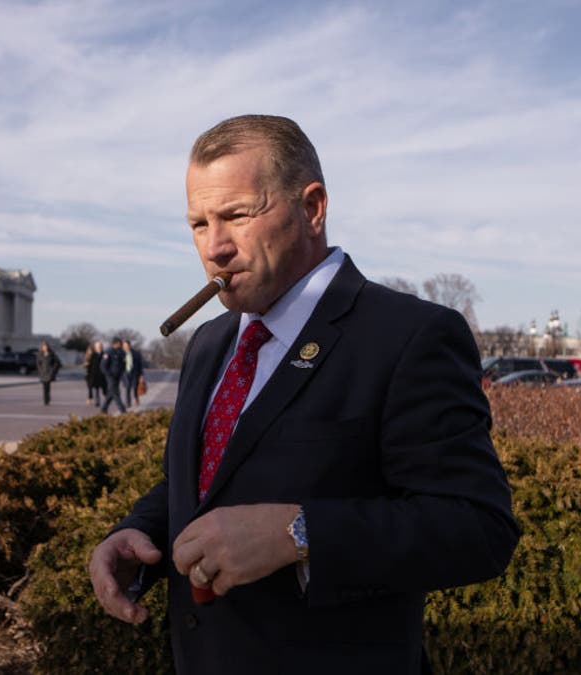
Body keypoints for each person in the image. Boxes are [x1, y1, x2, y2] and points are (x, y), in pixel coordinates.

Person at [88, 115, 518, 673]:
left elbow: (477, 527)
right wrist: (137, 532)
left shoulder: (409, 335)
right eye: (198, 224)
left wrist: (300, 533)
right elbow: (200, 478)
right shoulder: (210, 341)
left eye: (237, 216)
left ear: (312, 207)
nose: (214, 247)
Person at [99, 337, 127, 414]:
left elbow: (123, 364)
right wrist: (108, 375)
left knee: (111, 393)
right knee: (116, 393)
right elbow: (103, 366)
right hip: (111, 377)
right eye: (119, 343)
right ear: (116, 343)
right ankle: (123, 410)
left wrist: (122, 374)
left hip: (117, 377)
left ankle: (103, 409)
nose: (121, 345)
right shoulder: (108, 352)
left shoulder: (121, 352)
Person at [35, 341, 62, 406]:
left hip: (49, 373)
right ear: (42, 347)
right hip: (43, 373)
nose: (45, 347)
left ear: (48, 347)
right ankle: (46, 400)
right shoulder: (40, 354)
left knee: (48, 386)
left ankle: (47, 398)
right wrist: (40, 370)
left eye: (46, 346)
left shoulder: (51, 353)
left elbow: (57, 362)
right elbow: (38, 363)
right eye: (44, 346)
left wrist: (53, 369)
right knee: (44, 387)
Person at [122, 339, 144, 407]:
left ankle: (136, 398)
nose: (125, 347)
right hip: (125, 373)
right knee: (127, 388)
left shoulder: (136, 353)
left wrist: (141, 375)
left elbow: (140, 365)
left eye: (126, 345)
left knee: (135, 387)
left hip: (135, 373)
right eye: (124, 346)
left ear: (129, 345)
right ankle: (128, 403)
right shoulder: (121, 353)